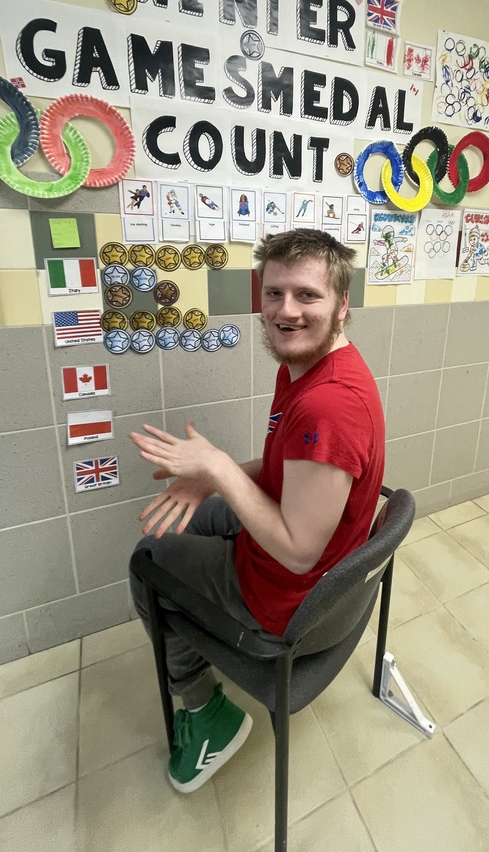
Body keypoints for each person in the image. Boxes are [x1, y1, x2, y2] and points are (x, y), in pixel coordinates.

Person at [129, 228, 385, 793]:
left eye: (306, 295)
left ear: (343, 305)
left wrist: (219, 469)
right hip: (307, 564)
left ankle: (206, 714)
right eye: (273, 293)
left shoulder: (329, 405)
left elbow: (297, 553)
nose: (285, 311)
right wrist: (208, 479)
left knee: (148, 560)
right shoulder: (303, 368)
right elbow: (283, 472)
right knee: (188, 522)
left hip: (296, 602)